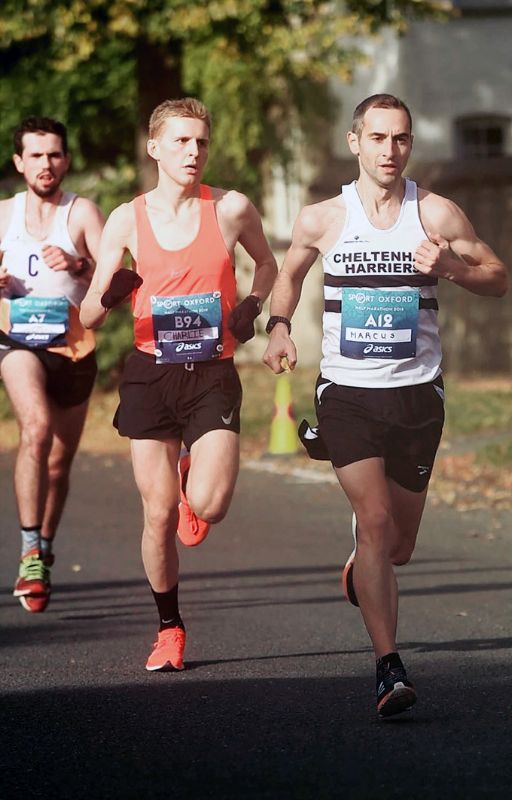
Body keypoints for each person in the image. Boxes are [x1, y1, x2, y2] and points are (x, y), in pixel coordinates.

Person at [263, 94, 508, 717]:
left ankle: (363, 566)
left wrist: (451, 266)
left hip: (418, 394)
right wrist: (281, 326)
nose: (389, 150)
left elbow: (498, 276)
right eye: (378, 138)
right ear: (356, 142)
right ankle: (387, 667)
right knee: (373, 522)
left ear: (410, 144)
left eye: (400, 139)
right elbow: (289, 275)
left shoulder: (436, 213)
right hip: (347, 391)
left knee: (398, 545)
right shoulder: (323, 218)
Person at [80, 98, 278, 671]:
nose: (194, 152)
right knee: (159, 512)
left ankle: (193, 473)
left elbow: (266, 264)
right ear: (155, 148)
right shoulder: (125, 218)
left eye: (202, 143)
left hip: (212, 371)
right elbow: (90, 316)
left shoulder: (232, 208)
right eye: (182, 142)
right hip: (148, 373)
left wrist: (253, 306)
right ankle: (169, 628)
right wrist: (112, 294)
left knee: (209, 506)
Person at [0, 117, 105, 613]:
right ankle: (27, 553)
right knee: (35, 429)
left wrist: (79, 265)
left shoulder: (81, 213)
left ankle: (43, 545)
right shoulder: (3, 215)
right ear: (19, 162)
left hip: (74, 346)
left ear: (65, 160)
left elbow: (118, 278)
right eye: (36, 155)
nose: (46, 164)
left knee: (59, 463)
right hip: (16, 341)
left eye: (54, 155)